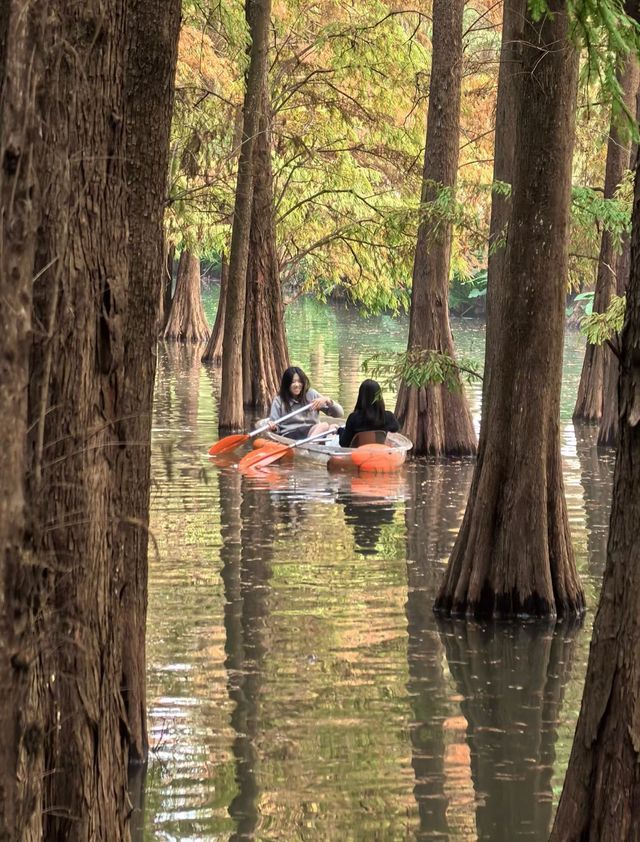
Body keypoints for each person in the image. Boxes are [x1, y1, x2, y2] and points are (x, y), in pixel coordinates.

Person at [269, 366, 344, 440]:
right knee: (324, 425)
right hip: (290, 435)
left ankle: (325, 446)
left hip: (312, 432)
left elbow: (339, 414)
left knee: (333, 426)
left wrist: (328, 401)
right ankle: (309, 445)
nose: (297, 385)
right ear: (287, 384)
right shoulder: (279, 400)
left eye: (299, 381)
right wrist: (274, 428)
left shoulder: (312, 394)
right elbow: (275, 427)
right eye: (293, 382)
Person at [338, 379, 399, 448]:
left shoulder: (354, 418)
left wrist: (340, 431)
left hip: (358, 455)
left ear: (361, 397)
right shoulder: (388, 417)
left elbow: (343, 443)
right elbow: (395, 428)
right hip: (379, 453)